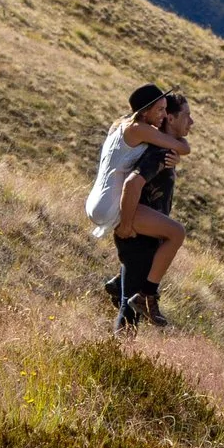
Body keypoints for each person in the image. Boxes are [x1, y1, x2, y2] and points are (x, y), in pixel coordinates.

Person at [84, 83, 188, 329]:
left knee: (144, 257)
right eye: (160, 110)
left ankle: (122, 284)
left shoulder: (120, 125)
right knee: (176, 233)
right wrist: (127, 224)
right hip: (112, 203)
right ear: (145, 111)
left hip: (96, 201)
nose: (163, 115)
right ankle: (147, 294)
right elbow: (182, 146)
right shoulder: (139, 128)